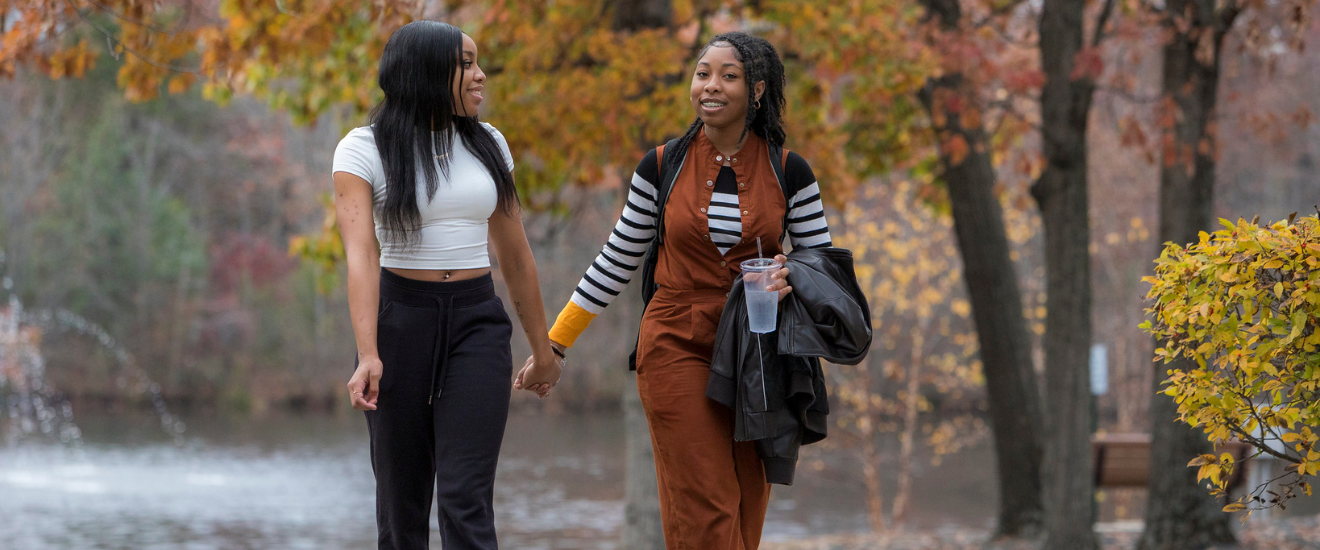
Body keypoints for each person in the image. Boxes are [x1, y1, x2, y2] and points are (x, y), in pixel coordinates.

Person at [529, 32, 834, 549]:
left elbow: (822, 266)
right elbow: (617, 259)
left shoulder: (790, 171)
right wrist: (555, 343)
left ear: (756, 90)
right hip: (675, 343)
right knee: (707, 507)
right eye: (702, 73)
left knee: (744, 510)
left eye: (727, 76)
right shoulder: (661, 166)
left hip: (757, 353)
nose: (710, 86)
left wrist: (791, 276)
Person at [332, 20, 561, 550]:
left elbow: (515, 255)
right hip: (400, 322)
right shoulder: (362, 149)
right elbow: (362, 255)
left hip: (475, 322)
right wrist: (368, 353)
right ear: (426, 72)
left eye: (478, 63)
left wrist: (542, 349)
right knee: (401, 503)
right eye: (466, 64)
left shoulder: (489, 144)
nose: (480, 76)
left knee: (465, 497)